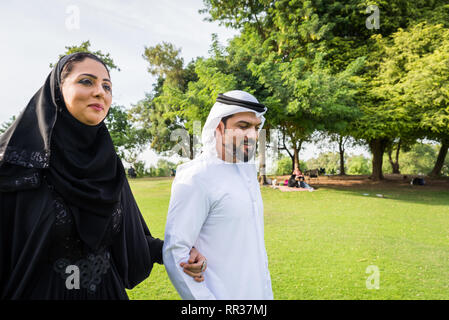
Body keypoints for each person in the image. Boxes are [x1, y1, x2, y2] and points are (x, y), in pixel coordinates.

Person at [0, 52, 205, 299]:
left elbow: (132, 238)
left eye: (107, 86)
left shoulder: (108, 166)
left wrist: (176, 252)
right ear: (57, 89)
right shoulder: (16, 166)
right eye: (86, 81)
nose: (100, 92)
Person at [163, 90, 273, 300]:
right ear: (219, 127)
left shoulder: (247, 172)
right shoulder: (196, 177)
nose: (252, 134)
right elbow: (175, 251)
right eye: (243, 126)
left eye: (256, 127)